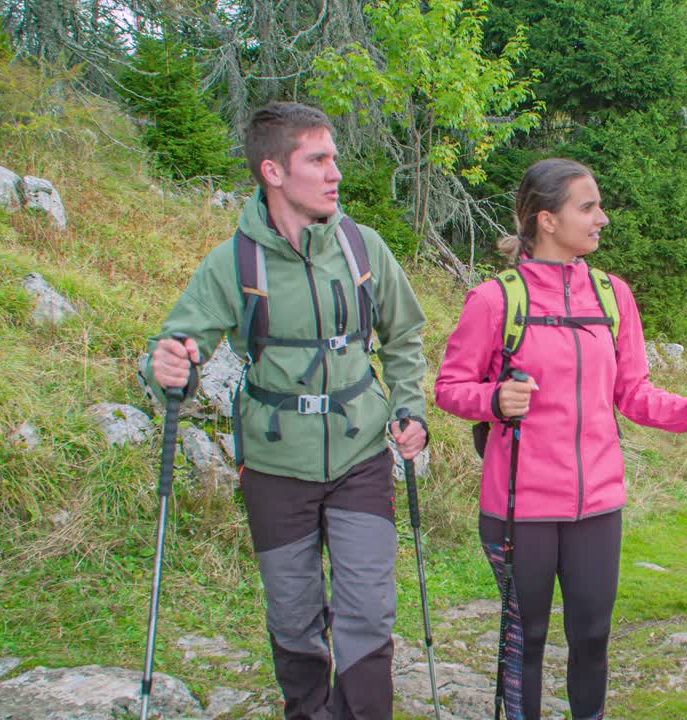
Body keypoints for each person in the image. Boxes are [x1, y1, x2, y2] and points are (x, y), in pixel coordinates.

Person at [145, 102, 428, 720]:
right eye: (318, 159)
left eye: (334, 158)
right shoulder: (234, 263)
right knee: (294, 616)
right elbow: (176, 349)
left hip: (360, 455)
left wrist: (410, 408)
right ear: (273, 171)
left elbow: (405, 336)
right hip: (274, 466)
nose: (335, 174)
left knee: (367, 611)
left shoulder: (363, 248)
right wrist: (169, 367)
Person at [433, 158, 687, 720]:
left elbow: (633, 393)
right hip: (518, 506)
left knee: (593, 635)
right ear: (547, 220)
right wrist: (493, 399)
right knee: (527, 639)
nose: (602, 218)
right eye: (588, 207)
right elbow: (449, 387)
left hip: (597, 503)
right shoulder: (496, 300)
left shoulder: (612, 295)